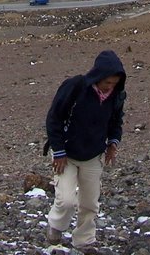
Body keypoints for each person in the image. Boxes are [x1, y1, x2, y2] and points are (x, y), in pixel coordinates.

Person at [43, 49, 127, 250]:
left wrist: (113, 144)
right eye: (107, 82)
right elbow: (54, 117)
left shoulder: (117, 95)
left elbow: (116, 121)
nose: (110, 87)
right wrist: (59, 150)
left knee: (90, 202)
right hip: (66, 154)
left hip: (93, 154)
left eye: (114, 83)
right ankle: (56, 226)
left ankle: (85, 240)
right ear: (98, 76)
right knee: (67, 200)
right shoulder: (75, 87)